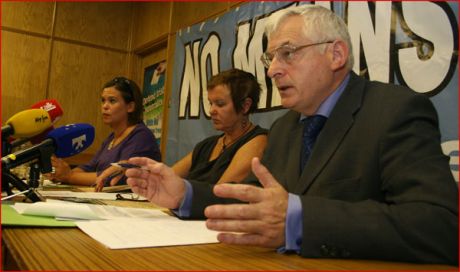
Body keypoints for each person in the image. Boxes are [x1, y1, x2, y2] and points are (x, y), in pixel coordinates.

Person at [125, 5, 458, 265]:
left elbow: (440, 227)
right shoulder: (286, 127)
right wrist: (184, 194)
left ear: (336, 55)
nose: (272, 70)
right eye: (271, 59)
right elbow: (252, 202)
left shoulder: (395, 112)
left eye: (288, 53)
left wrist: (300, 219)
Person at [50, 76, 161, 191]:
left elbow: (114, 178)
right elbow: (88, 167)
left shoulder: (141, 136)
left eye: (112, 101)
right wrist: (60, 174)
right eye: (103, 100)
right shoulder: (112, 138)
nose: (105, 106)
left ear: (130, 107)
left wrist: (69, 176)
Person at [172, 69, 268, 184]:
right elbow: (167, 179)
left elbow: (220, 193)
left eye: (220, 104)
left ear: (245, 106)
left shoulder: (259, 141)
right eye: (210, 103)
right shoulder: (206, 146)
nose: (211, 110)